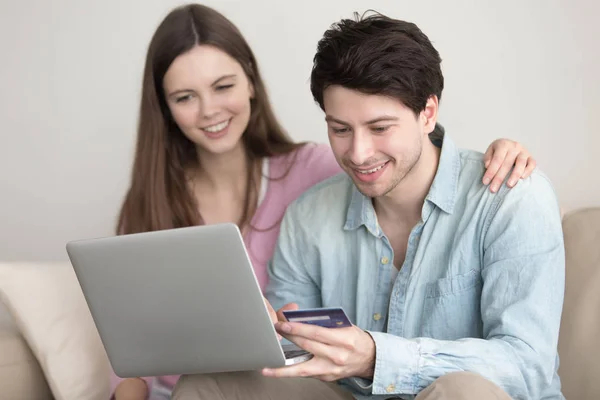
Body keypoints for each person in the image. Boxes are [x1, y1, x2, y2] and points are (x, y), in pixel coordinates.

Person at [112, 4, 540, 400]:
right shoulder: (310, 210)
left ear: (429, 113)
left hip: (452, 392)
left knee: (464, 391)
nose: (358, 153)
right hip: (341, 391)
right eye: (339, 129)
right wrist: (272, 328)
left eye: (379, 127)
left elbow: (528, 364)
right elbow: (289, 343)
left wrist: (377, 355)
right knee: (209, 383)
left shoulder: (507, 196)